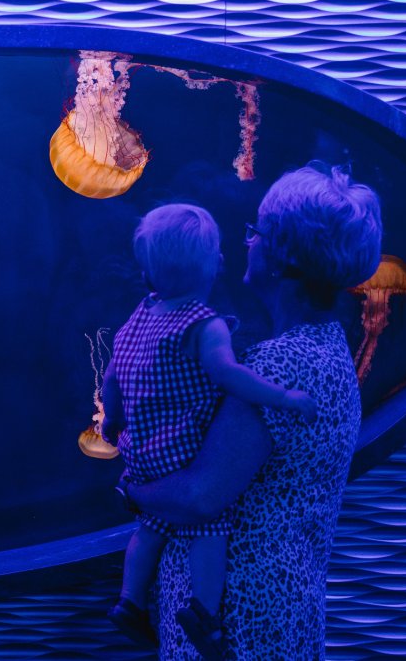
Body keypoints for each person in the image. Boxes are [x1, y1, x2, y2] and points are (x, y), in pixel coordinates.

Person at [120, 164, 382, 660]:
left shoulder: (281, 364)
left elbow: (200, 496)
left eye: (256, 232)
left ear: (283, 258)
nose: (248, 242)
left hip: (243, 624)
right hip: (280, 610)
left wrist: (131, 488)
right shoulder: (326, 349)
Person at [100, 204, 317, 653]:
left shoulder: (138, 318)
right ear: (215, 265)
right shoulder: (204, 324)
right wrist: (282, 396)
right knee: (209, 526)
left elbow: (111, 379)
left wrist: (113, 423)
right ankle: (205, 613)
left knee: (151, 527)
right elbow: (227, 374)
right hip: (181, 449)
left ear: (147, 270)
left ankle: (129, 601)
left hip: (140, 450)